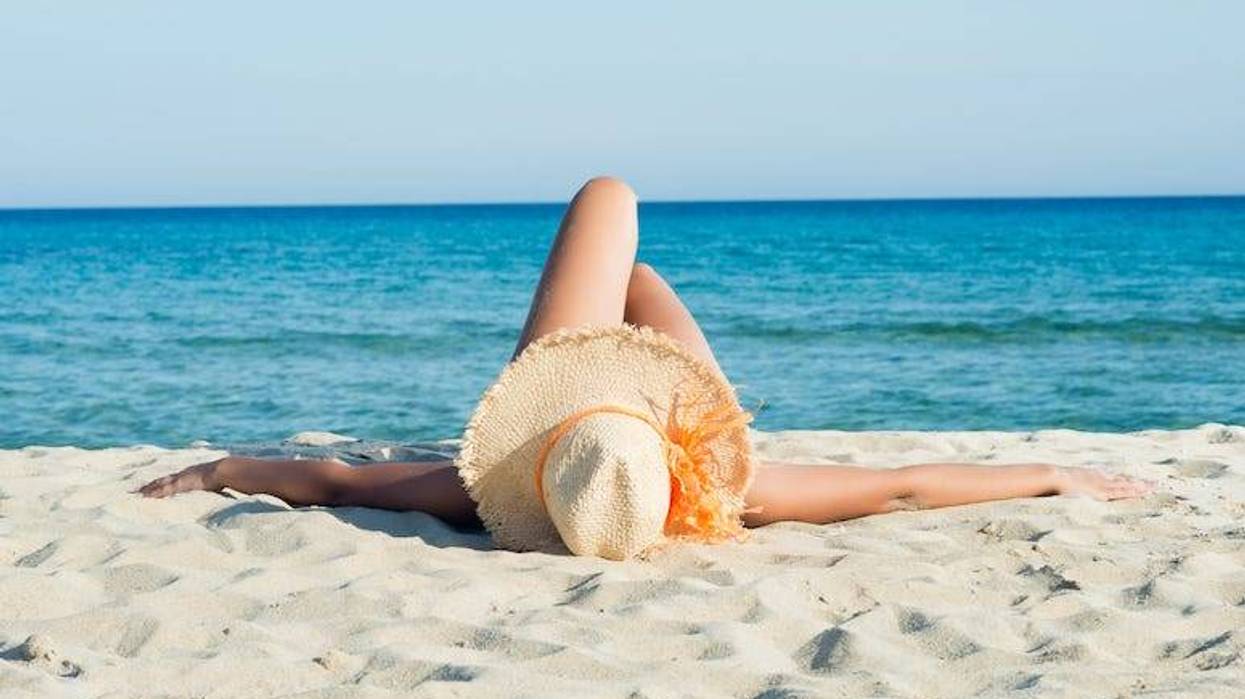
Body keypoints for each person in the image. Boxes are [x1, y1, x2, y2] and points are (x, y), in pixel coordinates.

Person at [139, 177, 1151, 557]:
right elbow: (906, 488)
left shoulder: (464, 493)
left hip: (614, 443)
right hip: (651, 443)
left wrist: (218, 470)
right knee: (623, 228)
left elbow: (324, 480)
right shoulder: (737, 488)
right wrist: (1056, 473)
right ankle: (633, 293)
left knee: (607, 202)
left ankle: (624, 294)